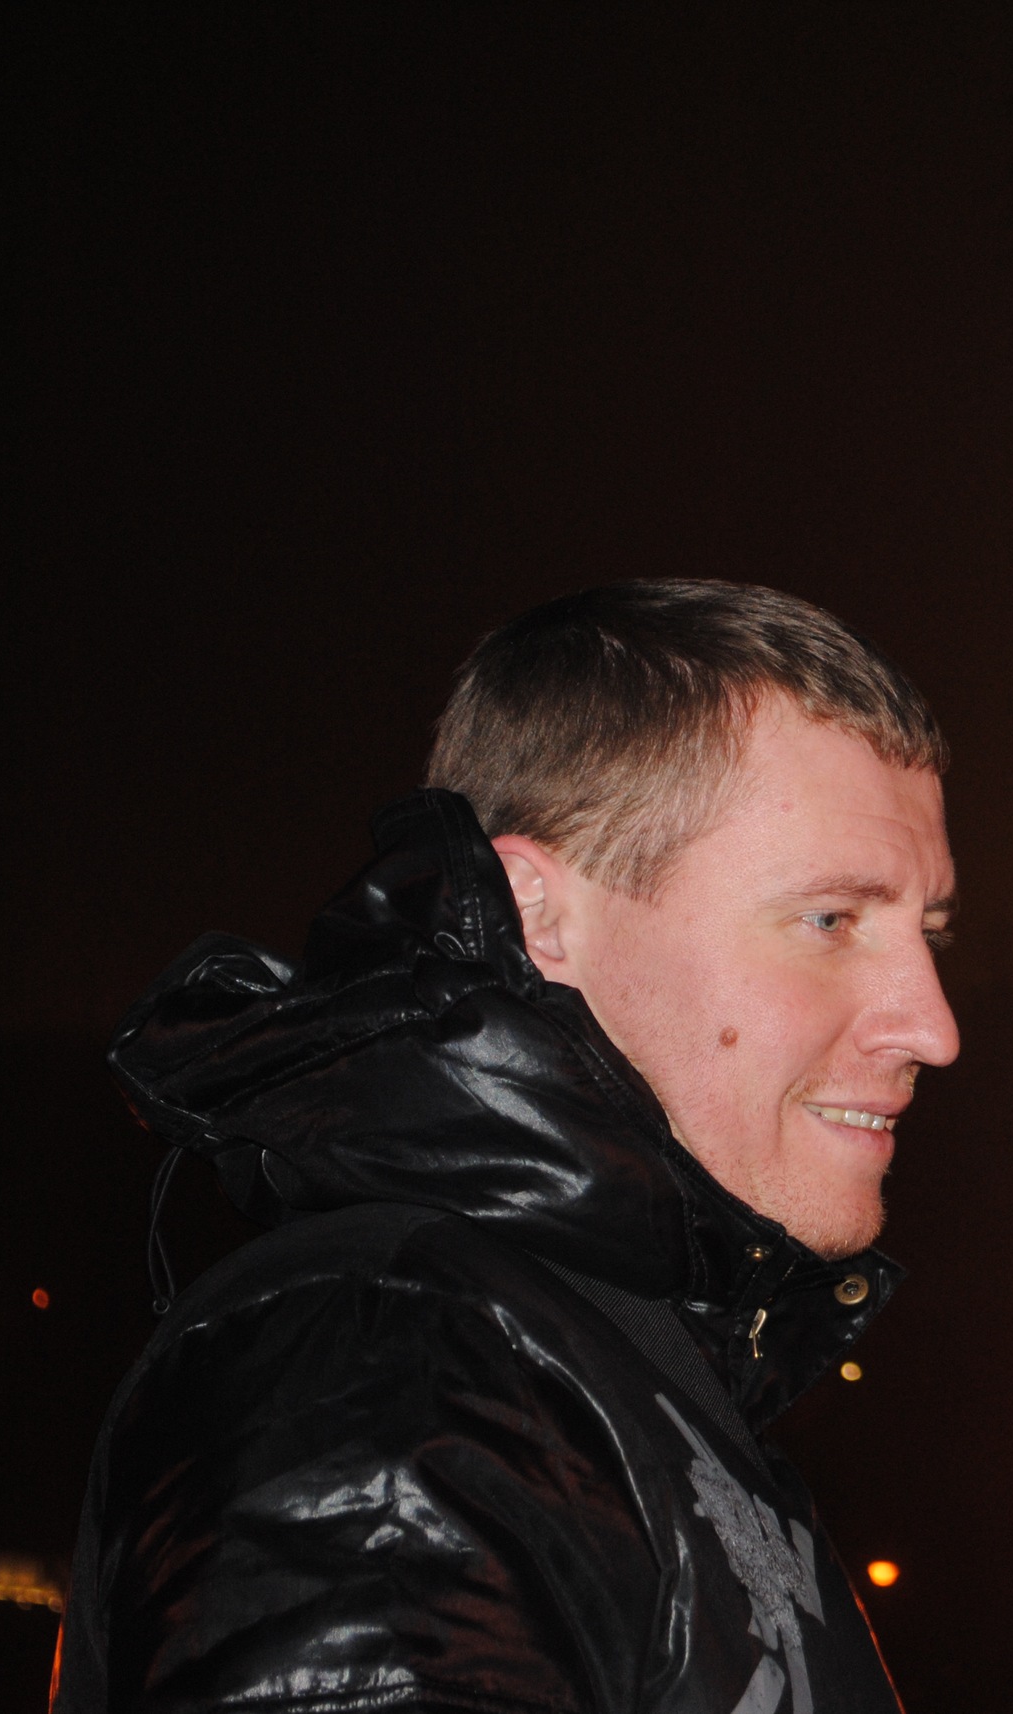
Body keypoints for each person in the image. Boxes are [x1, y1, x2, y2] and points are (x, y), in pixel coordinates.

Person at [55, 580, 959, 1714]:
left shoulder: (595, 1368)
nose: (933, 1028)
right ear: (538, 915)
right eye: (830, 921)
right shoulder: (393, 1362)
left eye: (928, 935)